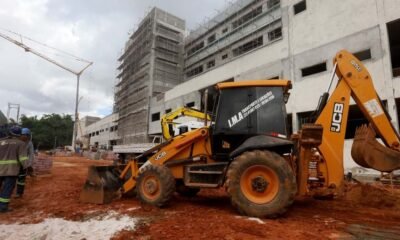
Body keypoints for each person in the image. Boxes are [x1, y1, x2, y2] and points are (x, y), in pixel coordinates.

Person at [0, 126, 28, 212]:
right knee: (7, 188)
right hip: (11, 170)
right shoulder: (20, 143)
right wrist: (27, 168)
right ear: (20, 134)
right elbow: (23, 159)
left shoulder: (1, 142)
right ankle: (3, 207)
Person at [15, 128, 34, 198]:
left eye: (26, 136)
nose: (25, 137)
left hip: (23, 164)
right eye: (23, 135)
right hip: (14, 163)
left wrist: (29, 165)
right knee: (11, 179)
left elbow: (31, 155)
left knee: (21, 179)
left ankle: (19, 193)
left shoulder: (29, 143)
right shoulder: (15, 141)